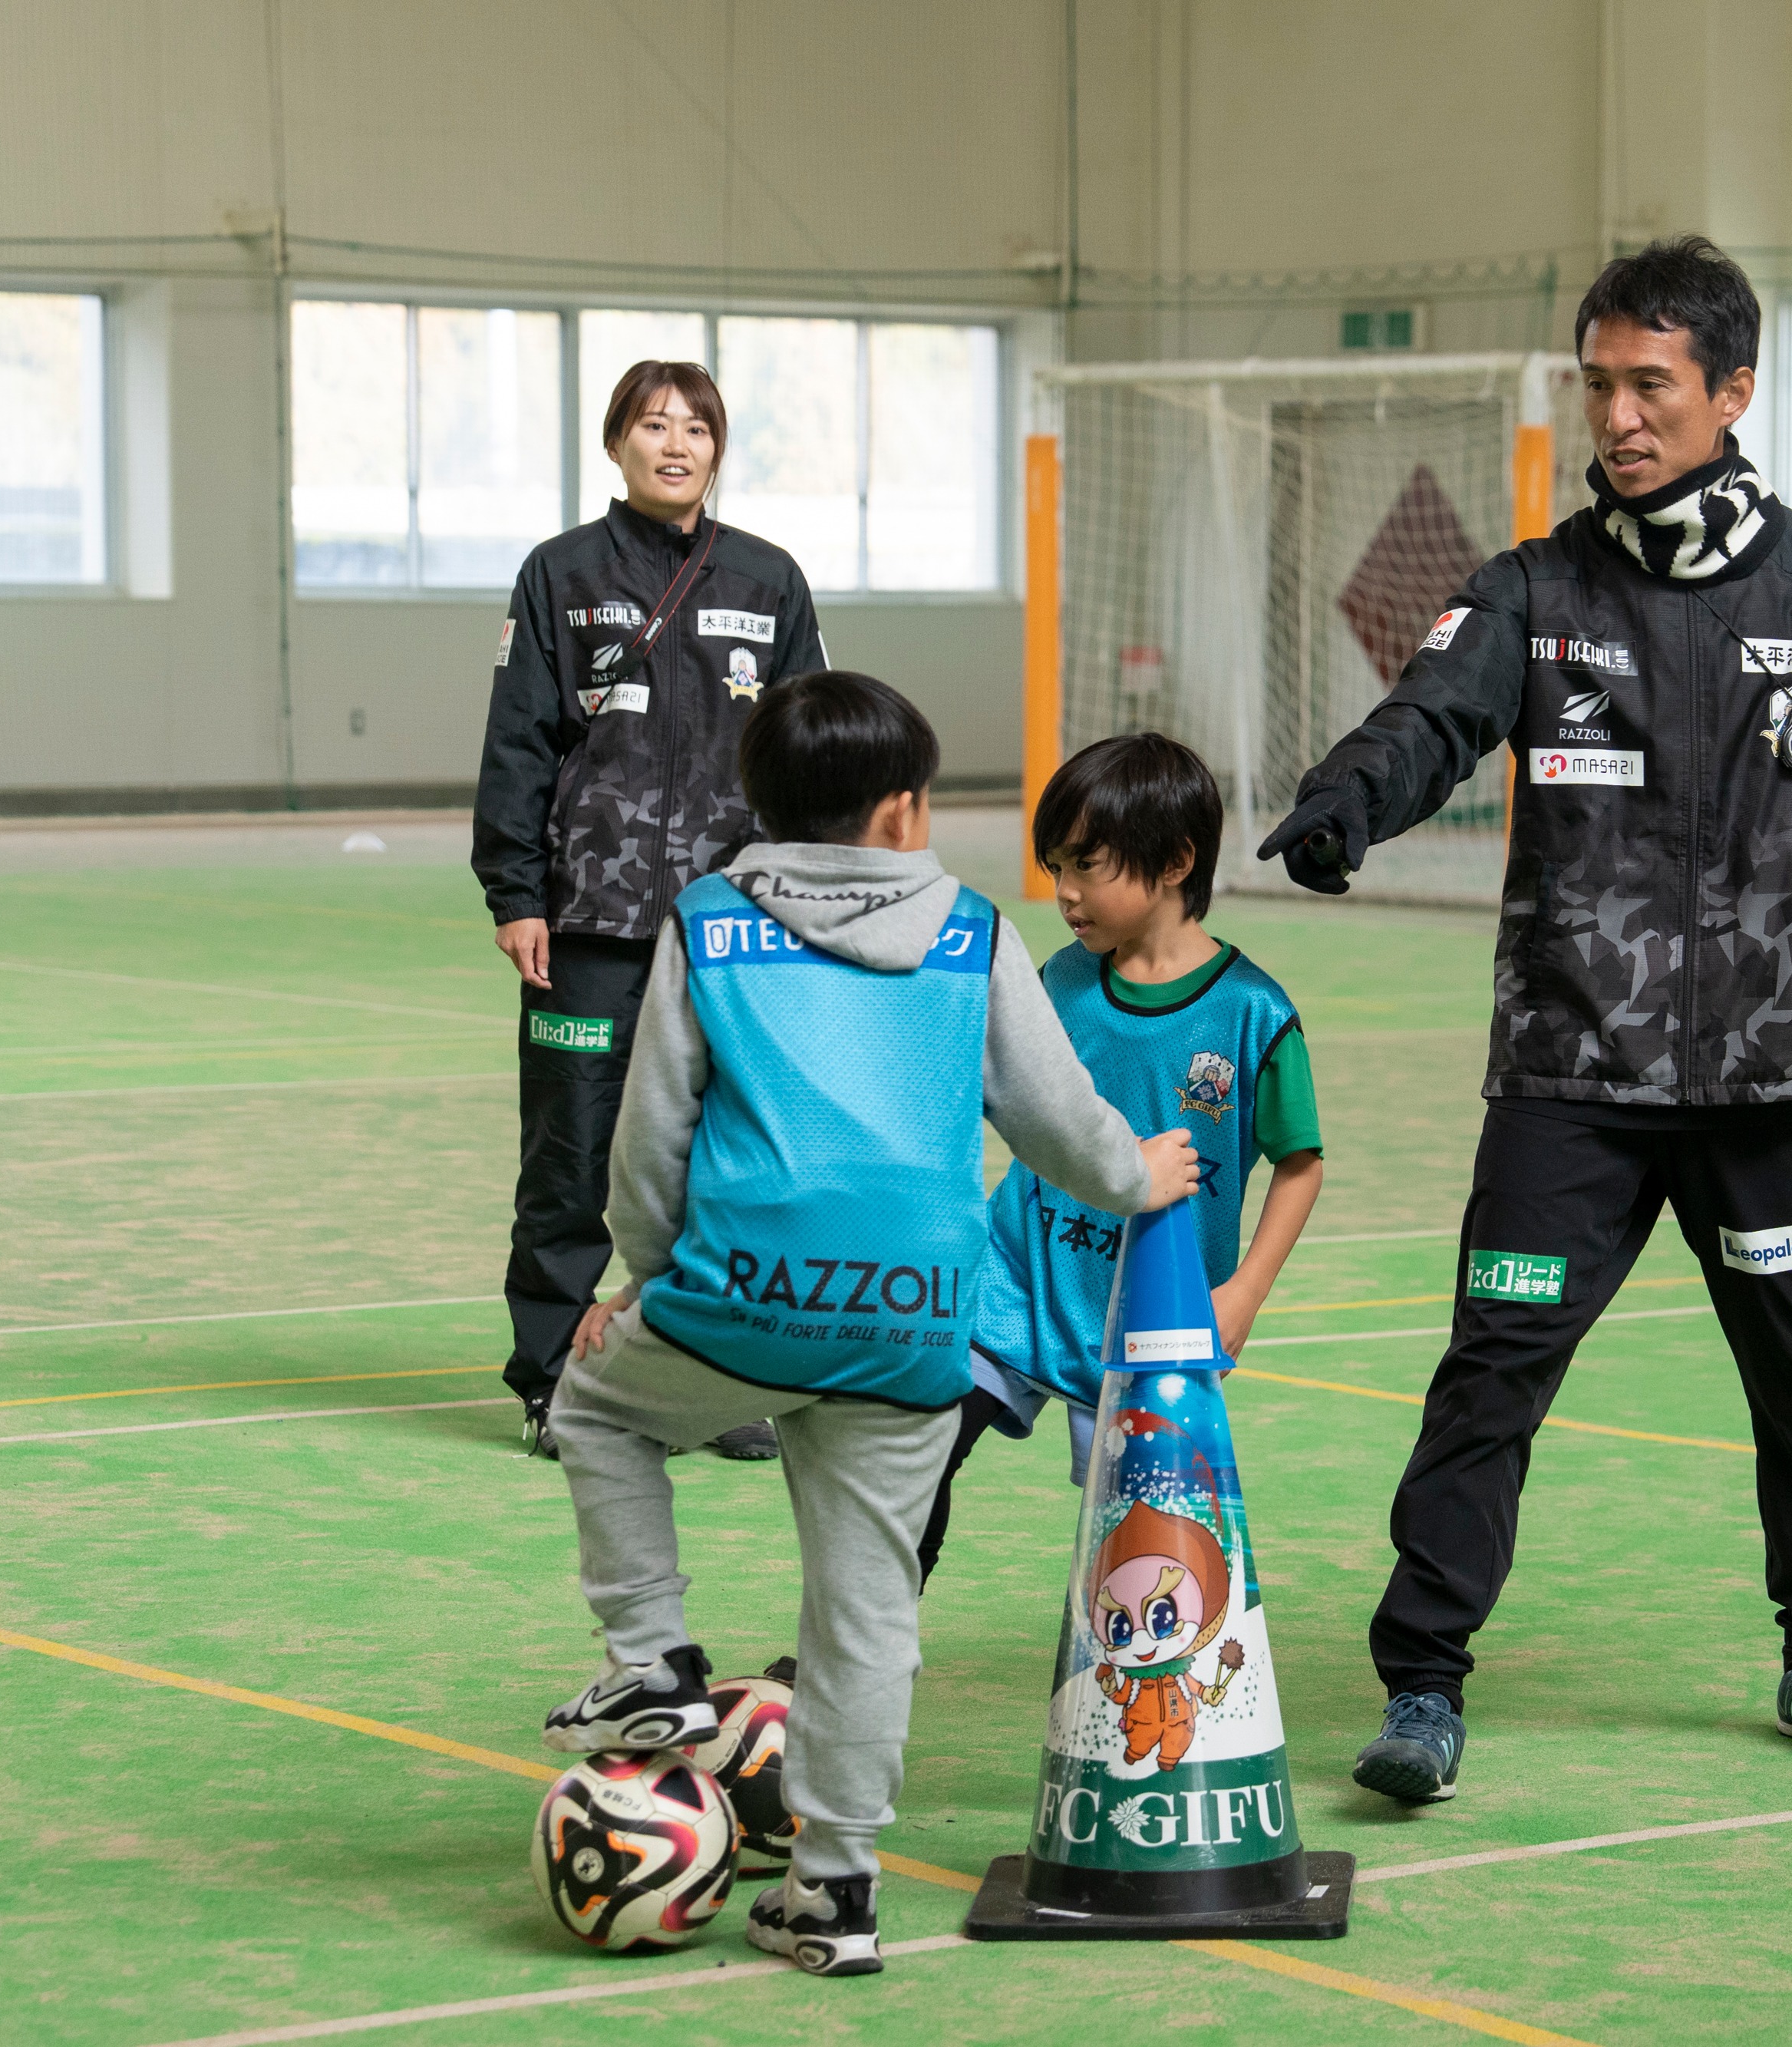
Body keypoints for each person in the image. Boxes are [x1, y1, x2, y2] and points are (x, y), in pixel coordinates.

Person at [1256, 236, 1792, 1802]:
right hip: (1570, 1071)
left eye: (1650, 385)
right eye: (1597, 383)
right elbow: (1427, 719)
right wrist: (1350, 800)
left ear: (1730, 390)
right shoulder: (1534, 592)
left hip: (1770, 1078)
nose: (1617, 416)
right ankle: (1421, 1686)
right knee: (1491, 1368)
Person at [539, 671, 1201, 1976]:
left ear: (762, 805)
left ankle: (655, 1657)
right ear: (904, 810)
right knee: (865, 1612)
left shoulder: (708, 921)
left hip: (735, 1298)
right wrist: (1142, 1176)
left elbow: (650, 1131)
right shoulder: (971, 932)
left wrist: (641, 1282)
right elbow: (1060, 1122)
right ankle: (834, 1892)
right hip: (912, 1325)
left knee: (596, 1407)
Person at [472, 360, 828, 1463]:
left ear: (719, 449)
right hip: (589, 922)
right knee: (573, 1154)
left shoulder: (770, 582)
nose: (675, 444)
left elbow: (815, 751)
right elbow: (519, 739)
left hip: (735, 928)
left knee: (724, 1156)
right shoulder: (561, 574)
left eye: (696, 428)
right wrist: (517, 893)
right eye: (652, 424)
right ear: (616, 443)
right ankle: (554, 1382)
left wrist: (804, 898)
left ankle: (710, 1381)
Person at [915, 732, 1325, 1582]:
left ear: (1174, 861)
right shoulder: (1056, 984)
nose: (1062, 894)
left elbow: (1300, 1163)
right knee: (913, 1459)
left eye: (1085, 867)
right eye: (1055, 866)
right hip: (1018, 1287)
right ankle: (851, 1660)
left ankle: (1163, 1691)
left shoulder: (1253, 1016)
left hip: (1153, 1320)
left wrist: (1244, 1292)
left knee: (1151, 1531)